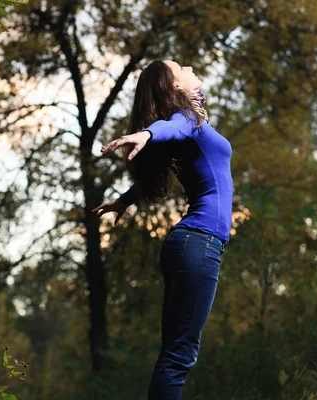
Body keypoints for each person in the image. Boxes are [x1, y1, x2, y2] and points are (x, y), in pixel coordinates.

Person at [92, 59, 233, 399]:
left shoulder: (190, 123)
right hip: (200, 244)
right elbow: (171, 127)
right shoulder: (188, 121)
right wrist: (146, 134)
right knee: (179, 355)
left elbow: (160, 160)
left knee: (173, 353)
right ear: (175, 86)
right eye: (179, 67)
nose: (188, 65)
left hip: (187, 245)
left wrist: (124, 201)